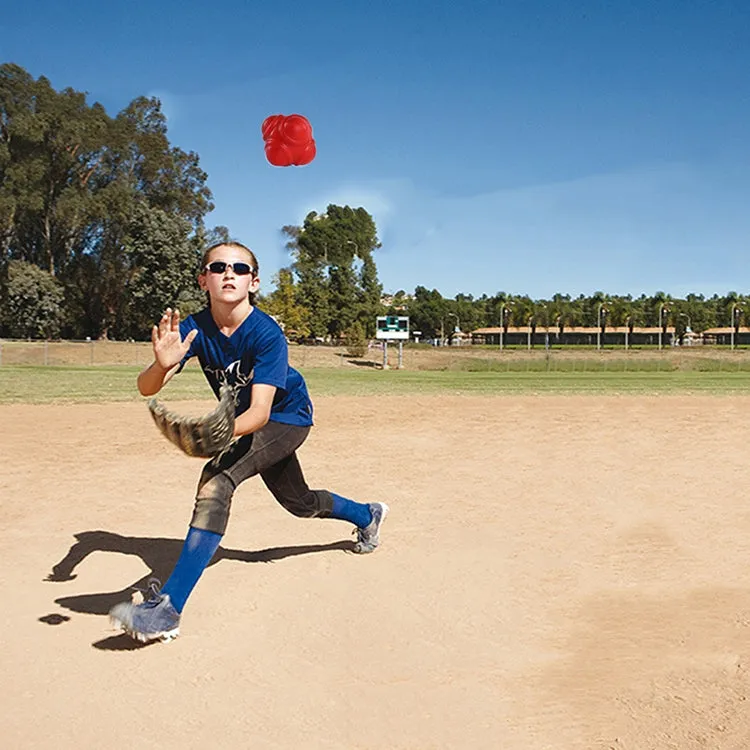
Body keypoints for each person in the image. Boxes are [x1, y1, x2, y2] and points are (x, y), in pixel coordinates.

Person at [109, 241, 389, 643]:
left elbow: (260, 414)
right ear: (203, 279)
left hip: (287, 416)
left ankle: (168, 610)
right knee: (300, 502)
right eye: (218, 266)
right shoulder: (193, 328)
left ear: (253, 282)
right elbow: (145, 387)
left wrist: (215, 435)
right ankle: (367, 515)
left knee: (216, 480)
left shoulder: (266, 333)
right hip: (248, 422)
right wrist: (161, 363)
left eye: (239, 268)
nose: (229, 273)